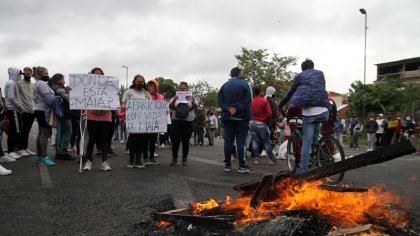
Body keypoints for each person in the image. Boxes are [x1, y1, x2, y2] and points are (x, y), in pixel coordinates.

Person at [278, 59, 330, 173]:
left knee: (306, 141)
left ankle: (303, 171)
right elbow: (322, 89)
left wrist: (280, 104)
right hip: (324, 111)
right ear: (313, 66)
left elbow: (290, 93)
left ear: (302, 69)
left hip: (309, 113)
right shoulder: (320, 74)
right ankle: (316, 153)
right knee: (315, 136)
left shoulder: (300, 76)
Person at [217, 67, 253, 173]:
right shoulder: (245, 84)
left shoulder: (224, 85)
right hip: (242, 117)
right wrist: (237, 109)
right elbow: (249, 99)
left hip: (228, 117)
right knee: (240, 142)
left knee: (228, 142)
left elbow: (219, 99)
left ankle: (227, 165)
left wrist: (227, 109)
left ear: (231, 74)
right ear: (239, 73)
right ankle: (242, 166)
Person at [82, 67, 112, 171]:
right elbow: (80, 96)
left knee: (104, 140)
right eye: (96, 74)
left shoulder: (109, 86)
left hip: (105, 116)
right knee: (92, 139)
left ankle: (104, 162)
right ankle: (88, 161)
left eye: (100, 74)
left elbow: (112, 98)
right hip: (91, 115)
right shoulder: (87, 86)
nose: (98, 76)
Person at [121, 74, 152, 168]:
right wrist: (124, 107)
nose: (140, 83)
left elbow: (152, 105)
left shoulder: (146, 93)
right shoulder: (128, 92)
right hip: (132, 121)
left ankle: (138, 160)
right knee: (133, 140)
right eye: (138, 81)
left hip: (143, 121)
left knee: (141, 141)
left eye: (142, 81)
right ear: (134, 81)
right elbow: (123, 104)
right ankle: (131, 160)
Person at [168, 82, 198, 166]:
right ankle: (174, 159)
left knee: (185, 141)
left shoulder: (191, 97)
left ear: (187, 89)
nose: (182, 89)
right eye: (181, 88)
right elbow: (170, 107)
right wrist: (174, 100)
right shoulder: (175, 97)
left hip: (188, 122)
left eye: (184, 88)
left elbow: (196, 107)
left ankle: (184, 159)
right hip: (176, 121)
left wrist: (192, 100)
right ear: (178, 89)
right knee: (175, 141)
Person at [49, 73, 76, 160]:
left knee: (60, 133)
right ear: (58, 80)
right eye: (63, 79)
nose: (64, 81)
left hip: (59, 113)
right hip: (64, 113)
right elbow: (68, 99)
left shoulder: (53, 88)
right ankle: (63, 151)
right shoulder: (59, 89)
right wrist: (68, 91)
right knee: (68, 131)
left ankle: (59, 151)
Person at [32, 66, 55, 165]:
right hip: (43, 110)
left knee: (41, 133)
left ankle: (39, 155)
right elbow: (48, 99)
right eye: (45, 74)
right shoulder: (42, 84)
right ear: (39, 74)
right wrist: (58, 99)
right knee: (45, 133)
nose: (47, 75)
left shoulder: (37, 83)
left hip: (38, 109)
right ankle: (44, 156)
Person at [249, 86, 276, 165]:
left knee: (254, 141)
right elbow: (269, 113)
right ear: (260, 92)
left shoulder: (251, 101)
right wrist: (266, 121)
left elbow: (249, 112)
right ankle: (271, 159)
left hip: (252, 123)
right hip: (261, 123)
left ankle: (256, 159)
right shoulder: (264, 101)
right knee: (266, 142)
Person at [4, 67, 25, 160]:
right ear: (15, 73)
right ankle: (10, 151)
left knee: (14, 130)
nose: (20, 76)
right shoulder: (11, 83)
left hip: (13, 109)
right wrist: (19, 106)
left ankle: (12, 150)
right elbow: (11, 97)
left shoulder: (11, 82)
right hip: (13, 110)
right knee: (14, 131)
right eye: (19, 74)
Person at [17, 67, 36, 156]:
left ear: (31, 74)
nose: (26, 75)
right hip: (23, 111)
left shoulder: (32, 84)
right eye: (25, 74)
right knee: (22, 131)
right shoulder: (19, 84)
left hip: (31, 111)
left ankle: (26, 148)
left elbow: (34, 97)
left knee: (27, 131)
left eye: (28, 74)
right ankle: (20, 149)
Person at [145, 79, 165, 164]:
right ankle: (145, 158)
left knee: (153, 140)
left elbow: (162, 108)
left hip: (155, 122)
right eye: (149, 86)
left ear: (156, 87)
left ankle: (152, 157)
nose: (150, 87)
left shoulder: (160, 97)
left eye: (152, 86)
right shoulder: (144, 95)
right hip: (145, 121)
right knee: (145, 140)